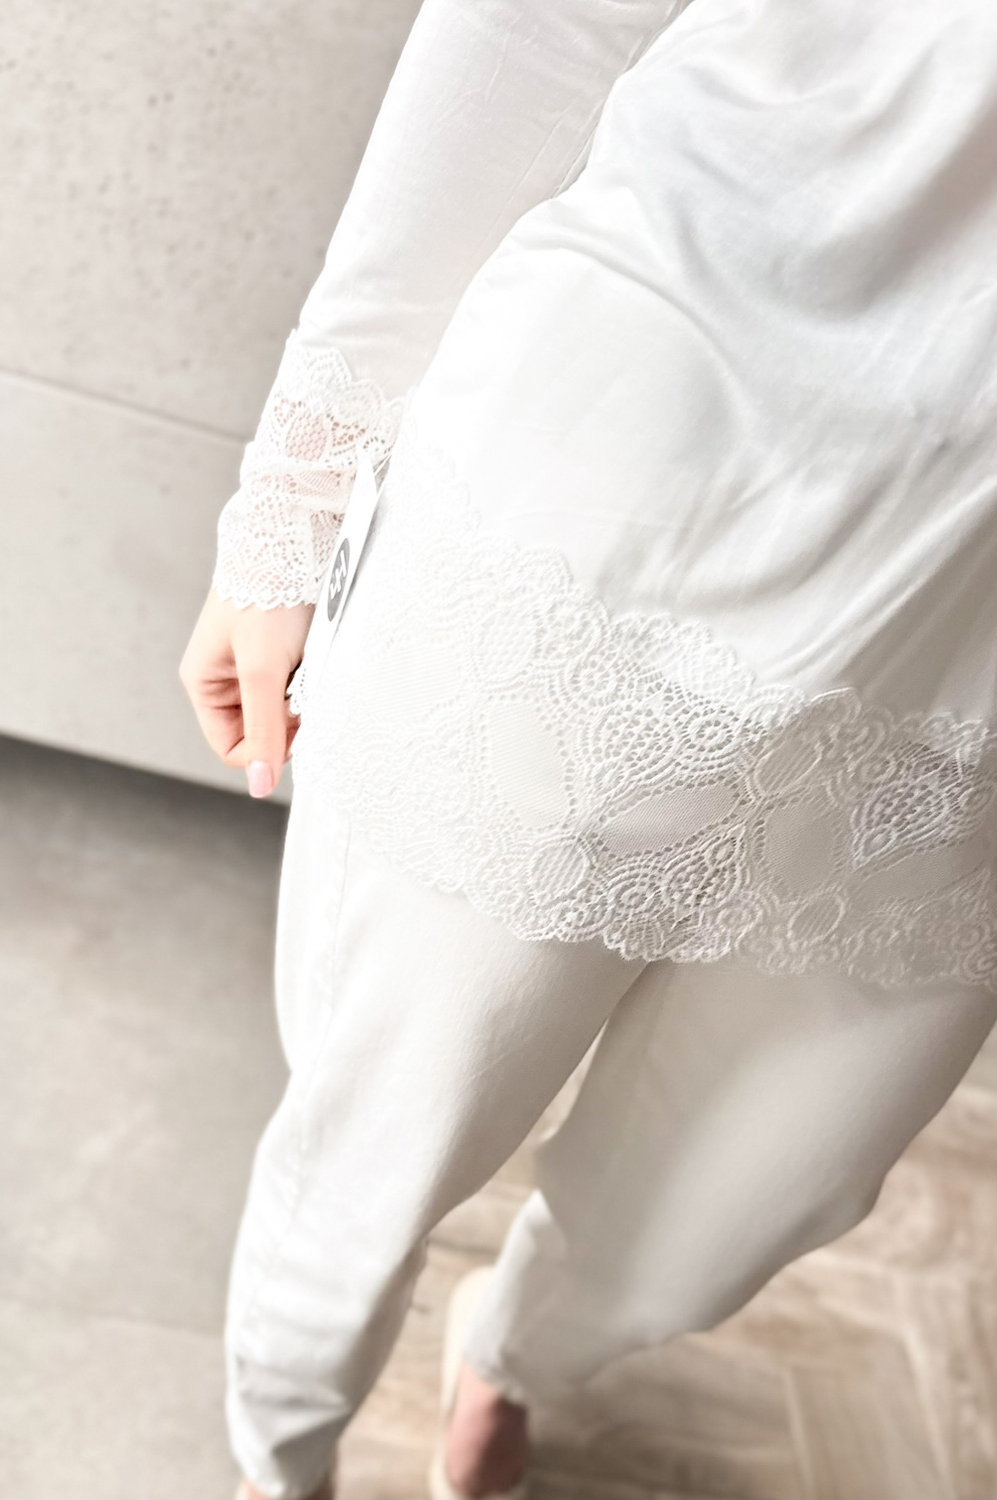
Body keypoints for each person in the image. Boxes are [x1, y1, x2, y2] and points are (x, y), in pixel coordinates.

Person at [179, 0, 997, 1495]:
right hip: (620, 506)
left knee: (748, 1194)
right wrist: (294, 498)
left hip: (965, 651)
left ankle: (521, 1354)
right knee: (384, 1125)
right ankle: (277, 1458)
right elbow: (537, 25)